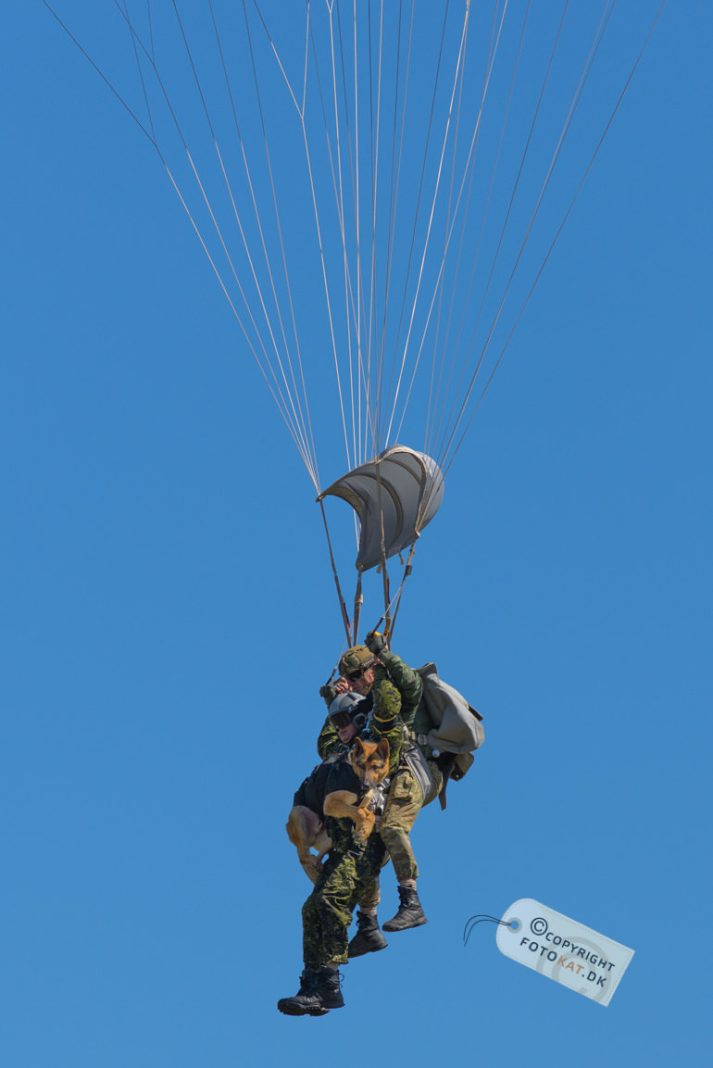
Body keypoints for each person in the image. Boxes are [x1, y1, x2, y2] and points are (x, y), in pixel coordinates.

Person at [277, 692, 402, 1016]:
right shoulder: (342, 754)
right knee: (311, 909)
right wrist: (335, 696)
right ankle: (312, 985)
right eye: (337, 723)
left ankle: (329, 985)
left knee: (328, 901)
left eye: (345, 721)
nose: (340, 728)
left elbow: (391, 708)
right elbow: (330, 738)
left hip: (363, 847)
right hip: (340, 850)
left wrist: (378, 670)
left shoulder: (378, 746)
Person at [320, 635, 443, 934]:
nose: (355, 682)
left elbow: (412, 684)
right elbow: (333, 747)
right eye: (349, 678)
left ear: (372, 668)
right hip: (384, 779)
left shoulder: (394, 691)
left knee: (391, 828)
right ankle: (368, 924)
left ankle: (411, 903)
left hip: (415, 770)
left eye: (358, 674)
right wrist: (335, 703)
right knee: (369, 845)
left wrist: (385, 655)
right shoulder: (367, 706)